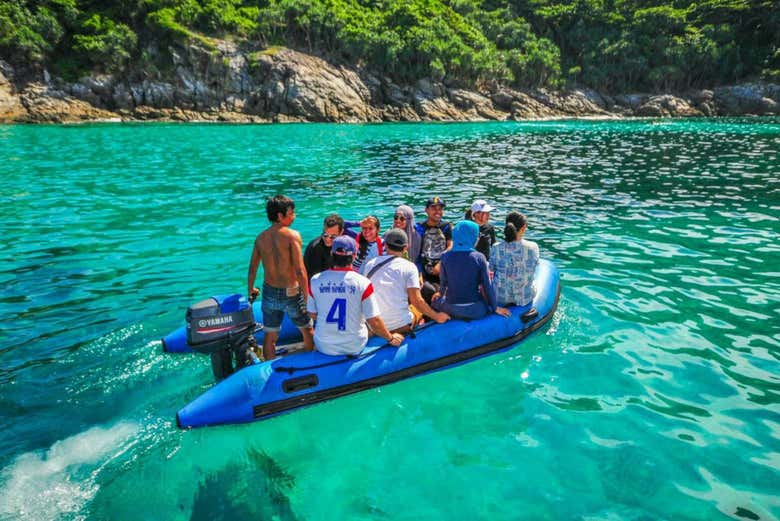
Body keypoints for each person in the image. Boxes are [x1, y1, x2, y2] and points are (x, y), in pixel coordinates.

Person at [307, 236, 403, 355]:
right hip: (353, 345)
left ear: (332, 253)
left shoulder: (315, 280)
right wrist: (391, 338)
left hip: (323, 345)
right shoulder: (363, 283)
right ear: (354, 256)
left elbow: (312, 313)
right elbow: (374, 321)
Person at [248, 195, 315, 360]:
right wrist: (307, 298)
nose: (294, 216)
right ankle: (311, 362)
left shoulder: (260, 238)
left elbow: (253, 267)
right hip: (292, 292)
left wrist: (251, 288)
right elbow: (300, 270)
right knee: (307, 330)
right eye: (291, 213)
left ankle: (269, 369)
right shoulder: (292, 236)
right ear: (280, 215)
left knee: (270, 337)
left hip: (269, 291)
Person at [363, 229, 450, 332]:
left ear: (385, 245)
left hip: (373, 325)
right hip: (400, 325)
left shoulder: (370, 264)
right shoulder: (409, 267)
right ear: (405, 248)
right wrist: (437, 316)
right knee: (418, 309)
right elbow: (417, 301)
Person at [432, 220, 511, 320]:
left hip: (450, 309)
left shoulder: (445, 256)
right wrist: (495, 307)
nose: (478, 238)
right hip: (475, 310)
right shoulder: (479, 257)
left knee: (435, 301)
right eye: (476, 235)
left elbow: (443, 283)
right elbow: (487, 286)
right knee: (483, 302)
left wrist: (440, 294)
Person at [489, 211, 540, 308]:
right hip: (524, 298)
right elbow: (535, 265)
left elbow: (491, 269)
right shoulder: (533, 247)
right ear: (523, 228)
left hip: (499, 298)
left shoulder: (496, 247)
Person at [415, 196, 453, 301]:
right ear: (426, 210)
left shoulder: (446, 226)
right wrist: (418, 274)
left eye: (440, 209)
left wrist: (441, 263)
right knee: (427, 290)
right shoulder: (419, 228)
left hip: (442, 269)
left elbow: (451, 246)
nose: (437, 211)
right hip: (425, 270)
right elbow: (416, 253)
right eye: (433, 208)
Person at [304, 213, 345, 280]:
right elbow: (314, 279)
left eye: (333, 237)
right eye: (325, 235)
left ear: (341, 232)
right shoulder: (315, 248)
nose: (327, 239)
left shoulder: (344, 245)